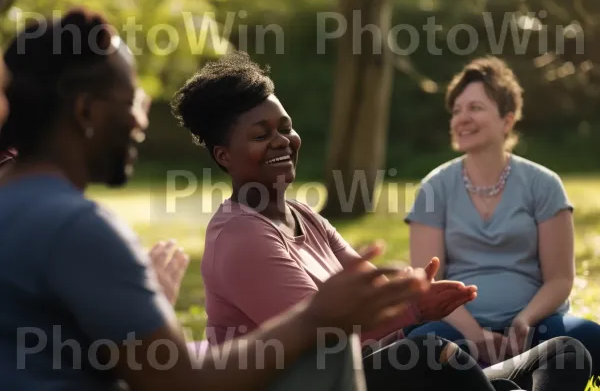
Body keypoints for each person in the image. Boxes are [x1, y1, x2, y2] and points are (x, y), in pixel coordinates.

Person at [0, 9, 438, 391]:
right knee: (338, 353)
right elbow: (181, 381)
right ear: (86, 112)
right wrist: (316, 319)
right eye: (133, 99)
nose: (140, 120)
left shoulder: (18, 206)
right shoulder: (78, 229)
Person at [170, 50, 593, 391]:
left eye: (285, 127)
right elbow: (327, 335)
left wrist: (414, 291)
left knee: (565, 352)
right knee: (430, 352)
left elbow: (373, 290)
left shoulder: (303, 217)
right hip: (315, 381)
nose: (282, 141)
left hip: (368, 370)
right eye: (262, 135)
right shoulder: (241, 235)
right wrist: (414, 308)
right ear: (224, 155)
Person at [404, 55, 600, 375]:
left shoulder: (544, 184)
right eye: (456, 111)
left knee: (588, 339)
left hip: (535, 328)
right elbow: (428, 282)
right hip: (458, 330)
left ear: (507, 121)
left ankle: (517, 370)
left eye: (475, 108)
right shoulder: (433, 188)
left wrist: (524, 321)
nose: (462, 118)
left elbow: (561, 278)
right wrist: (475, 334)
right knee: (420, 351)